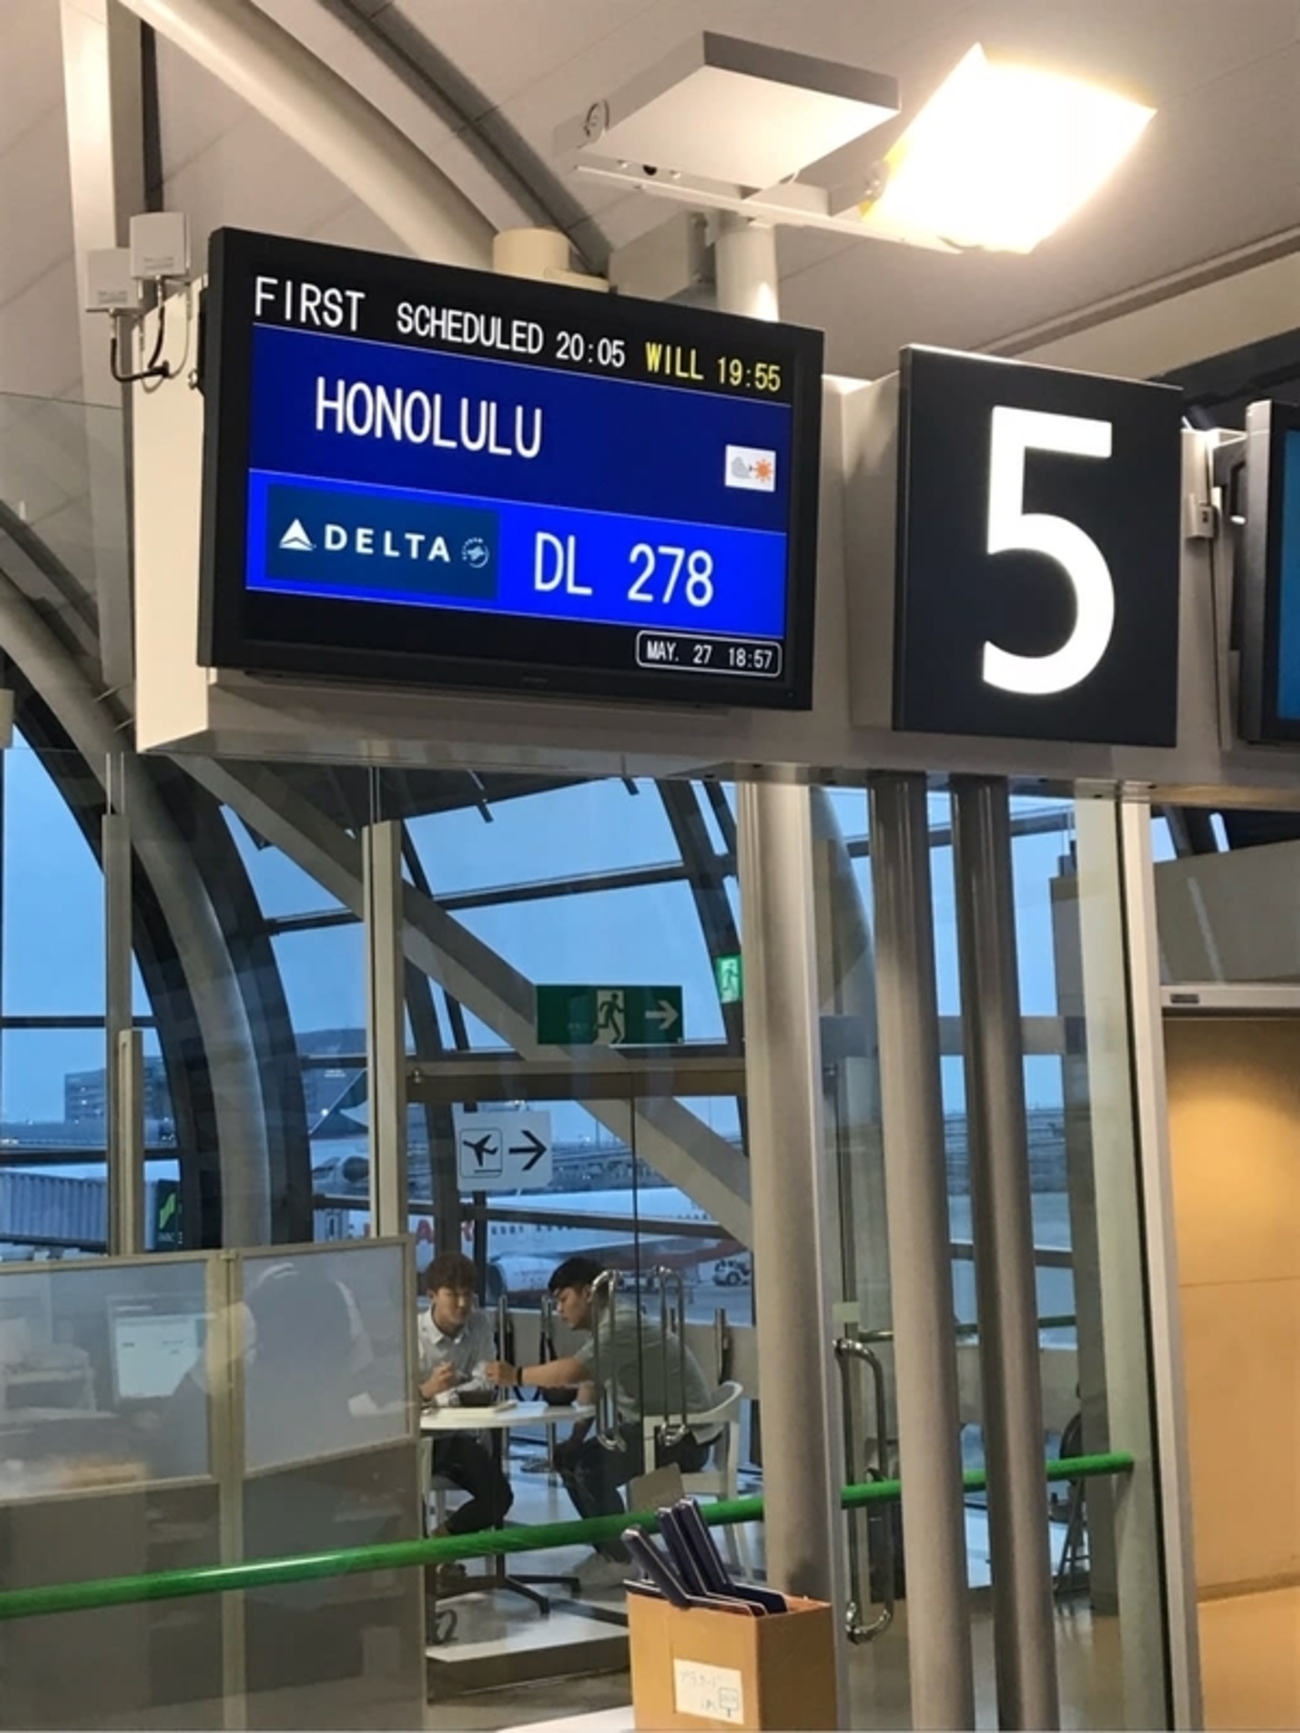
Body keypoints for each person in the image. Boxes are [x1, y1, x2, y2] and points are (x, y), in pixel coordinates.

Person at [485, 1255, 718, 1589]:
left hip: (681, 1437)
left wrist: (517, 1375)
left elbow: (574, 1371)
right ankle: (610, 1551)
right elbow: (592, 1384)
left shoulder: (621, 1325)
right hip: (655, 1429)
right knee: (571, 1459)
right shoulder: (609, 1326)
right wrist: (576, 1438)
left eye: (564, 1299)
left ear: (588, 1293)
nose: (560, 1310)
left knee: (591, 1469)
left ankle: (623, 1559)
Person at [418, 1251, 513, 1591]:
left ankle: (437, 1545)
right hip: (420, 1439)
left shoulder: (479, 1323)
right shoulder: (413, 1334)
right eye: (452, 1295)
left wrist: (446, 1395)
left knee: (499, 1497)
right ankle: (422, 1567)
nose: (462, 1304)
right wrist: (427, 1390)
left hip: (457, 1436)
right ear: (432, 1295)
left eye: (467, 1295)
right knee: (407, 1500)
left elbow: (486, 1380)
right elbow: (395, 1399)